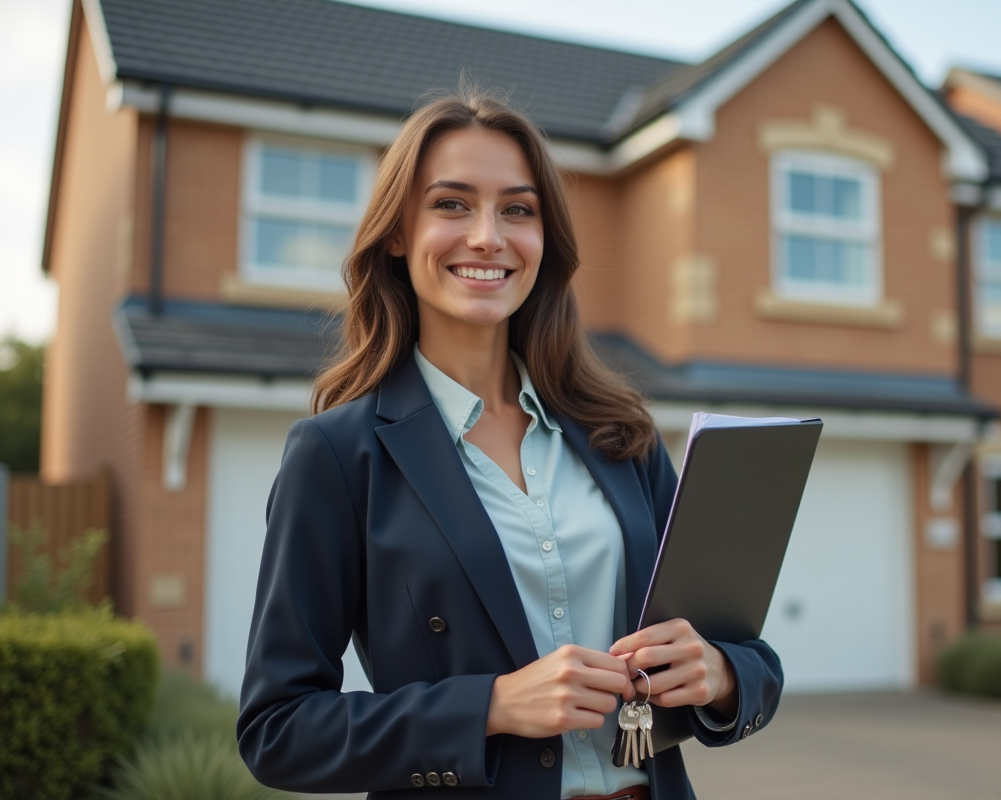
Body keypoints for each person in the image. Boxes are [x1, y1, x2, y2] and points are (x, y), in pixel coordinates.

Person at [237, 87, 783, 800]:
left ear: (545, 238)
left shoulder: (622, 437)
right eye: (452, 204)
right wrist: (490, 707)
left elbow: (753, 660)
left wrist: (720, 673)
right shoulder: (339, 457)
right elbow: (277, 731)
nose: (489, 236)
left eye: (518, 210)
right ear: (398, 232)